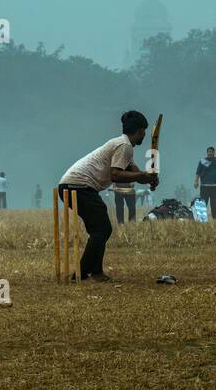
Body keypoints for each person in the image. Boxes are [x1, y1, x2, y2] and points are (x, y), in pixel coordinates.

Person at [57, 110, 158, 283]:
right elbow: (116, 175)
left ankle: (95, 272)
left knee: (101, 229)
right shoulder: (124, 146)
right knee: (101, 229)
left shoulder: (125, 147)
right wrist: (143, 176)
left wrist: (149, 178)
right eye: (144, 131)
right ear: (140, 130)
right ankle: (81, 274)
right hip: (78, 185)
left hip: (77, 186)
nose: (144, 135)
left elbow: (135, 173)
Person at [194, 146, 216, 220]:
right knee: (203, 204)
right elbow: (198, 173)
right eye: (209, 152)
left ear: (214, 152)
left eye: (212, 152)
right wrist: (196, 181)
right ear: (207, 152)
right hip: (204, 186)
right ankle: (202, 219)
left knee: (214, 205)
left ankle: (215, 219)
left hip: (215, 187)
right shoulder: (202, 161)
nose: (210, 153)